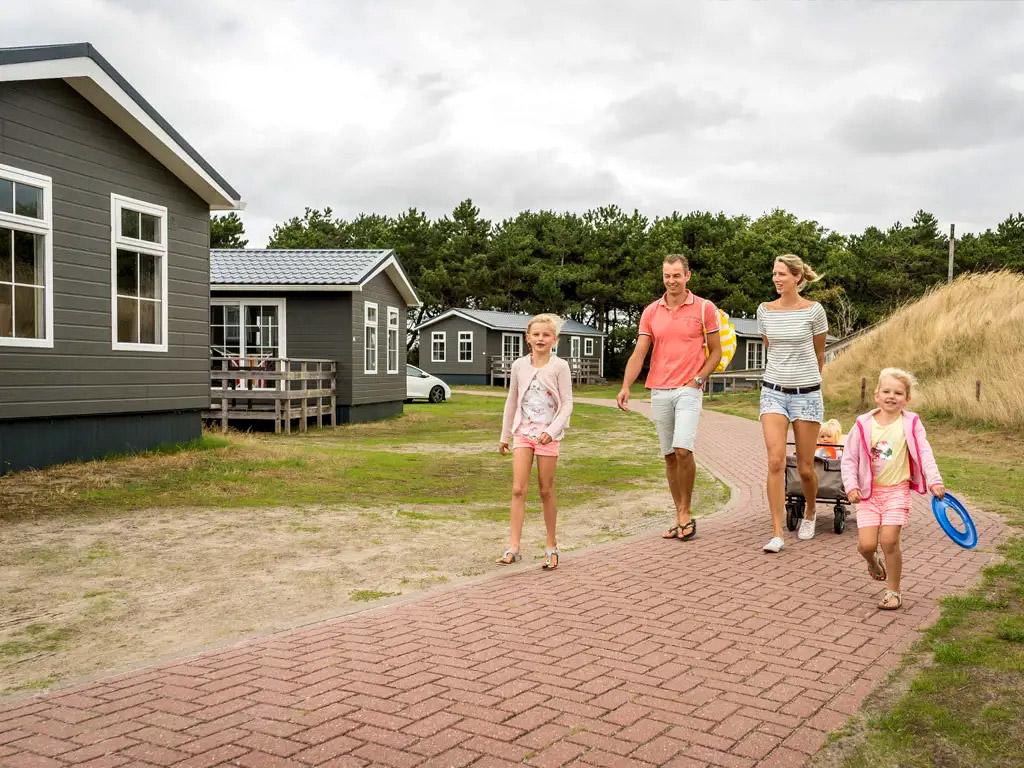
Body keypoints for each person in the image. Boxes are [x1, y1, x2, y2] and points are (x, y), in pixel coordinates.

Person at [617, 254, 722, 542]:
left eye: (677, 275)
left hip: (688, 389)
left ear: (688, 276)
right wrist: (626, 386)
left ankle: (686, 512)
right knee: (669, 456)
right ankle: (678, 515)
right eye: (667, 275)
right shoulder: (651, 311)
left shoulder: (704, 308)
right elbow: (640, 353)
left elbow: (716, 352)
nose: (671, 281)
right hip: (659, 390)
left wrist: (698, 380)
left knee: (683, 450)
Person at [841, 368, 944, 610]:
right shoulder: (863, 424)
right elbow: (849, 459)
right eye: (886, 391)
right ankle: (873, 562)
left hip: (896, 491)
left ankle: (893, 592)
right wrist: (851, 486)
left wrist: (935, 480)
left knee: (889, 541)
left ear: (906, 399)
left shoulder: (911, 423)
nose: (891, 396)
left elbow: (925, 453)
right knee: (866, 545)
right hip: (868, 494)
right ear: (876, 396)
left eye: (898, 393)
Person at [758, 254, 829, 552]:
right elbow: (769, 348)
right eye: (774, 274)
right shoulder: (764, 310)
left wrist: (807, 383)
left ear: (797, 277)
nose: (776, 279)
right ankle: (777, 533)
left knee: (804, 467)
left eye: (782, 274)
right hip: (773, 391)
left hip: (807, 395)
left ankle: (811, 510)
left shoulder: (814, 311)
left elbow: (820, 354)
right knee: (775, 461)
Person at [497, 313, 573, 570]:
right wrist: (505, 435)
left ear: (555, 339)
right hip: (523, 434)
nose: (541, 338)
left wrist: (551, 431)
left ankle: (551, 546)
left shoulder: (559, 366)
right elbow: (512, 399)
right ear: (528, 338)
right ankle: (513, 547)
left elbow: (567, 403)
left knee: (545, 490)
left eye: (546, 335)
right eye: (536, 334)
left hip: (547, 436)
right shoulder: (519, 365)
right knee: (518, 489)